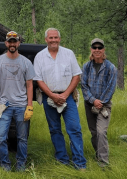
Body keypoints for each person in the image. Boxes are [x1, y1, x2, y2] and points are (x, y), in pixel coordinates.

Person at [33, 28, 86, 170]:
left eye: (56, 37)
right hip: (48, 97)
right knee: (55, 129)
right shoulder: (40, 56)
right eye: (51, 38)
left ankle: (79, 163)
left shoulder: (68, 54)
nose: (53, 40)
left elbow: (76, 76)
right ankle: (62, 159)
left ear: (59, 39)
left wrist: (65, 94)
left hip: (67, 97)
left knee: (74, 128)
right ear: (46, 40)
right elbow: (38, 79)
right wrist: (52, 95)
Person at [0, 31, 35, 172]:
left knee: (22, 138)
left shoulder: (26, 63)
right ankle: (5, 164)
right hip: (4, 105)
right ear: (6, 43)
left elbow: (29, 85)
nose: (12, 44)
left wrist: (30, 106)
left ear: (18, 43)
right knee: (0, 137)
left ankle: (21, 164)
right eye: (10, 41)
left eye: (14, 41)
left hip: (21, 105)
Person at [81, 38, 117, 168]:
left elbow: (111, 87)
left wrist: (100, 102)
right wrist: (93, 100)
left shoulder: (111, 68)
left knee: (101, 131)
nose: (97, 50)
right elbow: (83, 85)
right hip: (89, 104)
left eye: (99, 47)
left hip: (104, 106)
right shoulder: (86, 66)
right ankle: (98, 154)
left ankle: (103, 163)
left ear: (103, 50)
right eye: (94, 47)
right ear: (91, 49)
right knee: (94, 132)